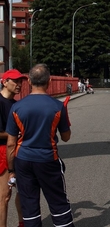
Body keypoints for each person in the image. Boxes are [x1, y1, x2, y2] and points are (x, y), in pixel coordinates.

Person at [6, 64, 74, 227]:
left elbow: (10, 144)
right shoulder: (57, 106)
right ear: (49, 81)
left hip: (23, 160)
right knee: (58, 202)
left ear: (28, 81)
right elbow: (66, 137)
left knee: (29, 205)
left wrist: (11, 170)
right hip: (48, 158)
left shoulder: (16, 107)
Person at [0, 69, 26, 227]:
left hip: (17, 150)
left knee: (23, 192)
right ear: (5, 82)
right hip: (2, 151)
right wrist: (16, 135)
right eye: (15, 81)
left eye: (21, 81)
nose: (19, 84)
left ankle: (22, 223)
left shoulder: (16, 104)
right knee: (5, 195)